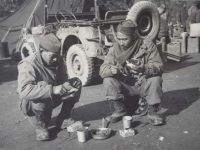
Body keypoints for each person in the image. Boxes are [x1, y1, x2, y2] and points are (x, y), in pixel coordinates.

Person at [17, 33, 82, 141]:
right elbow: (24, 91)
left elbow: (62, 77)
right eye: (52, 56)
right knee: (43, 86)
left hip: (51, 97)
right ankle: (40, 125)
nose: (56, 59)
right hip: (33, 106)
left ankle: (63, 118)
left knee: (76, 82)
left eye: (57, 55)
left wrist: (67, 86)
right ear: (42, 51)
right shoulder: (29, 64)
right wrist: (52, 89)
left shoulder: (57, 58)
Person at [99, 20, 164, 126]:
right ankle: (120, 110)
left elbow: (159, 66)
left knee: (155, 79)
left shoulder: (148, 46)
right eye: (118, 39)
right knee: (108, 80)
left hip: (142, 83)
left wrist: (144, 68)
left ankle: (153, 112)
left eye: (124, 39)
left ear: (134, 36)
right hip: (125, 85)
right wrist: (111, 70)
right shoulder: (114, 49)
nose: (121, 42)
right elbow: (102, 70)